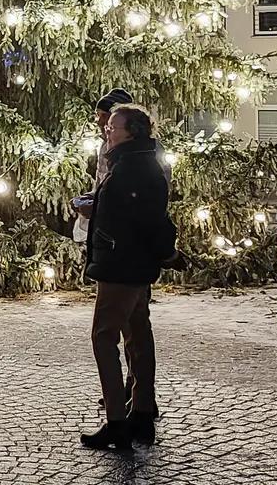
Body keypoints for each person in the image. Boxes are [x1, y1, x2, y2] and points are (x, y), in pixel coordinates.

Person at [81, 103, 175, 451]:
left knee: (104, 338)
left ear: (132, 132)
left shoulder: (130, 168)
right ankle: (142, 413)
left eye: (113, 128)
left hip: (121, 266)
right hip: (134, 265)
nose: (107, 131)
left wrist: (166, 251)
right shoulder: (137, 162)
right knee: (138, 335)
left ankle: (117, 421)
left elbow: (147, 219)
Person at [73, 88, 134, 243]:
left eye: (104, 116)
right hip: (105, 235)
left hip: (127, 240)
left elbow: (138, 203)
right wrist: (91, 197)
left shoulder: (141, 154)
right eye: (97, 115)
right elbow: (104, 186)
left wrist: (97, 209)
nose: (98, 121)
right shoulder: (105, 147)